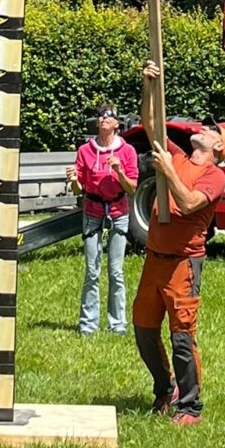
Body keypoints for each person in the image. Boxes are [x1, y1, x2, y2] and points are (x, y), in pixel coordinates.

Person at [132, 58, 225, 426]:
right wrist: (148, 84)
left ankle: (190, 407)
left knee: (182, 337)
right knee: (143, 329)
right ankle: (165, 388)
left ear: (219, 146)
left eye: (211, 130)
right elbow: (150, 123)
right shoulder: (178, 157)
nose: (204, 128)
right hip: (154, 258)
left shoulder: (214, 176)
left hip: (183, 264)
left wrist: (169, 172)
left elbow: (189, 203)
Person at [65, 103, 139, 335]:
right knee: (92, 271)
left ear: (117, 123)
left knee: (116, 272)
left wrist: (119, 171)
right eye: (100, 115)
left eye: (109, 115)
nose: (104, 118)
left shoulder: (127, 151)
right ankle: (88, 325)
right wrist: (74, 181)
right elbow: (78, 189)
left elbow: (132, 188)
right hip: (92, 212)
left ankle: (118, 324)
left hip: (118, 213)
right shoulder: (85, 151)